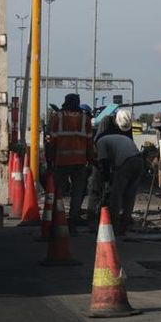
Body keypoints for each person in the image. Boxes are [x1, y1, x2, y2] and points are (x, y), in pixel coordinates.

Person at [46, 93, 94, 232]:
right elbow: (89, 143)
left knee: (57, 192)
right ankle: (73, 223)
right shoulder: (85, 119)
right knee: (77, 193)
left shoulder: (57, 117)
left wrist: (50, 162)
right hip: (79, 163)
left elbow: (51, 142)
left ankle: (56, 220)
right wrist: (92, 160)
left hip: (61, 162)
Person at [95, 125, 143, 236]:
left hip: (127, 162)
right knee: (129, 196)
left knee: (116, 195)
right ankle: (124, 226)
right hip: (139, 161)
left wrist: (106, 181)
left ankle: (113, 227)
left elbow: (104, 163)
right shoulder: (117, 139)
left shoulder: (100, 142)